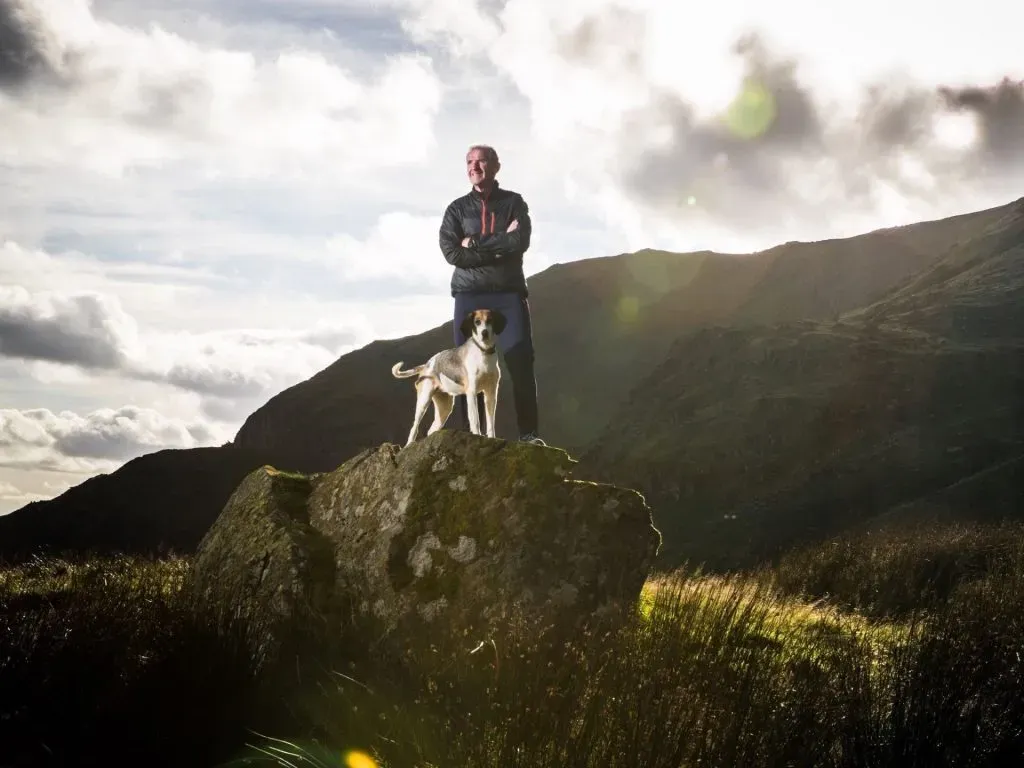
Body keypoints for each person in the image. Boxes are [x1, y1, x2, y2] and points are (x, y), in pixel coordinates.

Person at [438, 144, 545, 446]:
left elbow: (519, 241)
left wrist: (474, 243)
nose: (474, 167)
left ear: (496, 166)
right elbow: (451, 252)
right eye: (470, 162)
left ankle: (529, 435)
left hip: (507, 296)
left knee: (519, 360)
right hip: (469, 296)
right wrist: (499, 246)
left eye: (481, 161)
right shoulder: (456, 209)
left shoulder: (514, 202)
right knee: (463, 370)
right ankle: (472, 440)